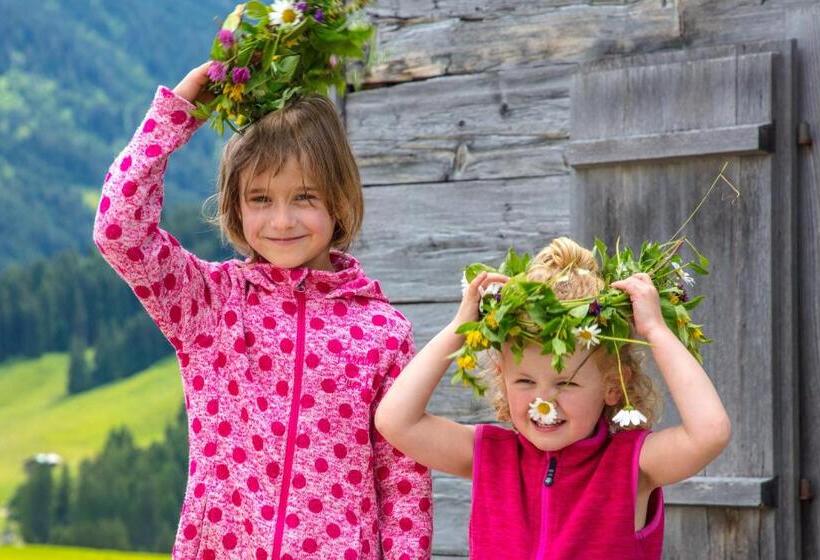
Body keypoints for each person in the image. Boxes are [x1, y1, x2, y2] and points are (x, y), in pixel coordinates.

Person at [93, 62, 432, 560]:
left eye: (304, 197)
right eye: (260, 199)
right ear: (235, 205)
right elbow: (118, 232)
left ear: (338, 200)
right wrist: (176, 116)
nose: (281, 220)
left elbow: (403, 483)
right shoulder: (208, 304)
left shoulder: (382, 331)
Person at [375, 237, 731, 559]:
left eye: (567, 384)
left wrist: (655, 330)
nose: (543, 401)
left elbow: (710, 431)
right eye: (526, 381)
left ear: (613, 386)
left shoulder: (633, 466)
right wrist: (460, 326)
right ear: (502, 379)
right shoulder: (489, 455)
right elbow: (395, 420)